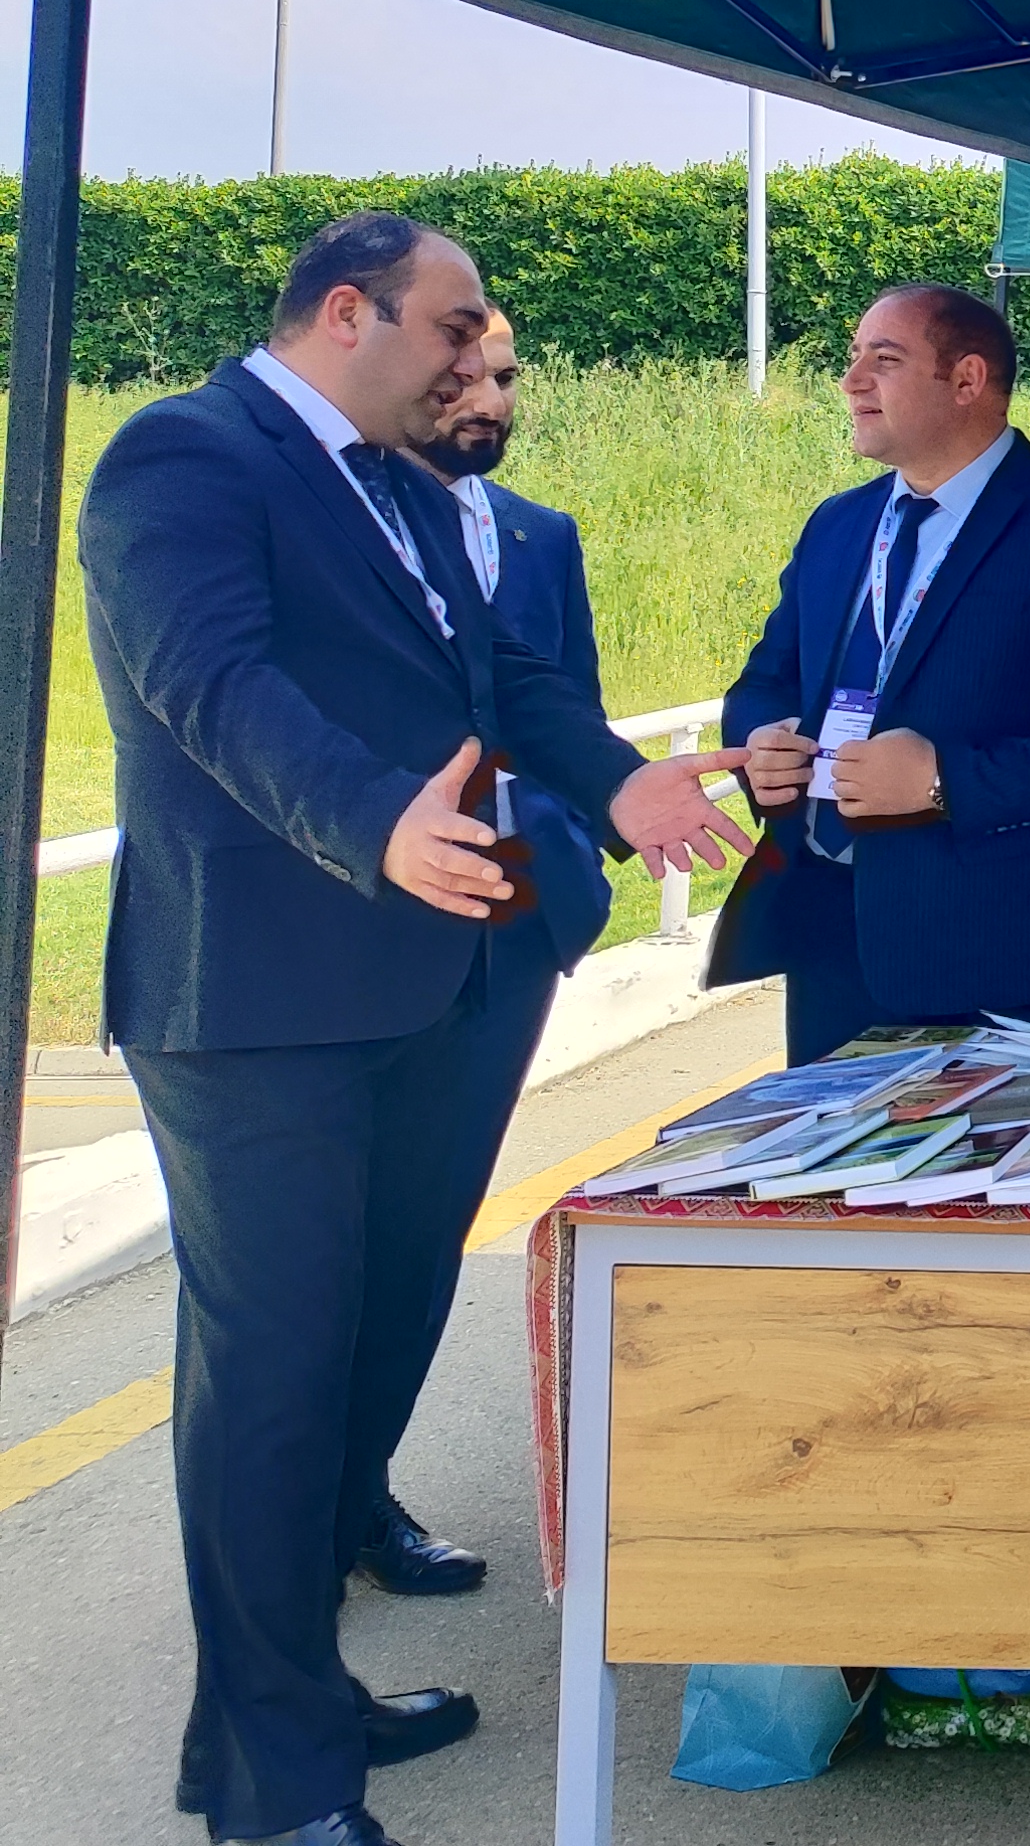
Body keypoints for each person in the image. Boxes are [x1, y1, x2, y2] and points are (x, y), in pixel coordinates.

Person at [82, 212, 748, 1846]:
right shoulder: (184, 455)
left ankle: (300, 1710)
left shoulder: (387, 482)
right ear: (344, 311)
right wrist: (370, 818)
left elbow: (500, 680)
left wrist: (619, 777)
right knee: (274, 1377)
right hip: (255, 999)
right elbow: (211, 685)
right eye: (455, 331)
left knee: (360, 1349)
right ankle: (271, 1784)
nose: (478, 362)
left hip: (418, 983)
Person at [295, 308, 599, 1608]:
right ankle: (284, 1524)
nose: (486, 392)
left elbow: (568, 704)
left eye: (506, 373)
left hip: (507, 938)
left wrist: (577, 840)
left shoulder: (539, 535)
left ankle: (360, 1499)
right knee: (312, 1251)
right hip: (346, 940)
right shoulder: (312, 521)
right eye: (459, 370)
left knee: (423, 1238)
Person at [714, 284, 1030, 1065]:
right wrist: (763, 740)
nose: (852, 380)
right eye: (854, 358)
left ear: (966, 381)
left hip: (1000, 950)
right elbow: (766, 681)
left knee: (992, 1184)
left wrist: (944, 783)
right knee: (831, 1187)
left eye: (883, 360)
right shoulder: (838, 524)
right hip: (832, 937)